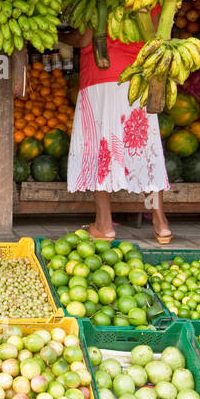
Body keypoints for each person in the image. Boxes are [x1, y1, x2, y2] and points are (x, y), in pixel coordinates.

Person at [65, 19, 172, 244]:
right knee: (146, 153)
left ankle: (104, 224)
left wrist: (59, 37)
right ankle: (160, 222)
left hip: (100, 78)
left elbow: (85, 38)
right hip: (138, 80)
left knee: (102, 150)